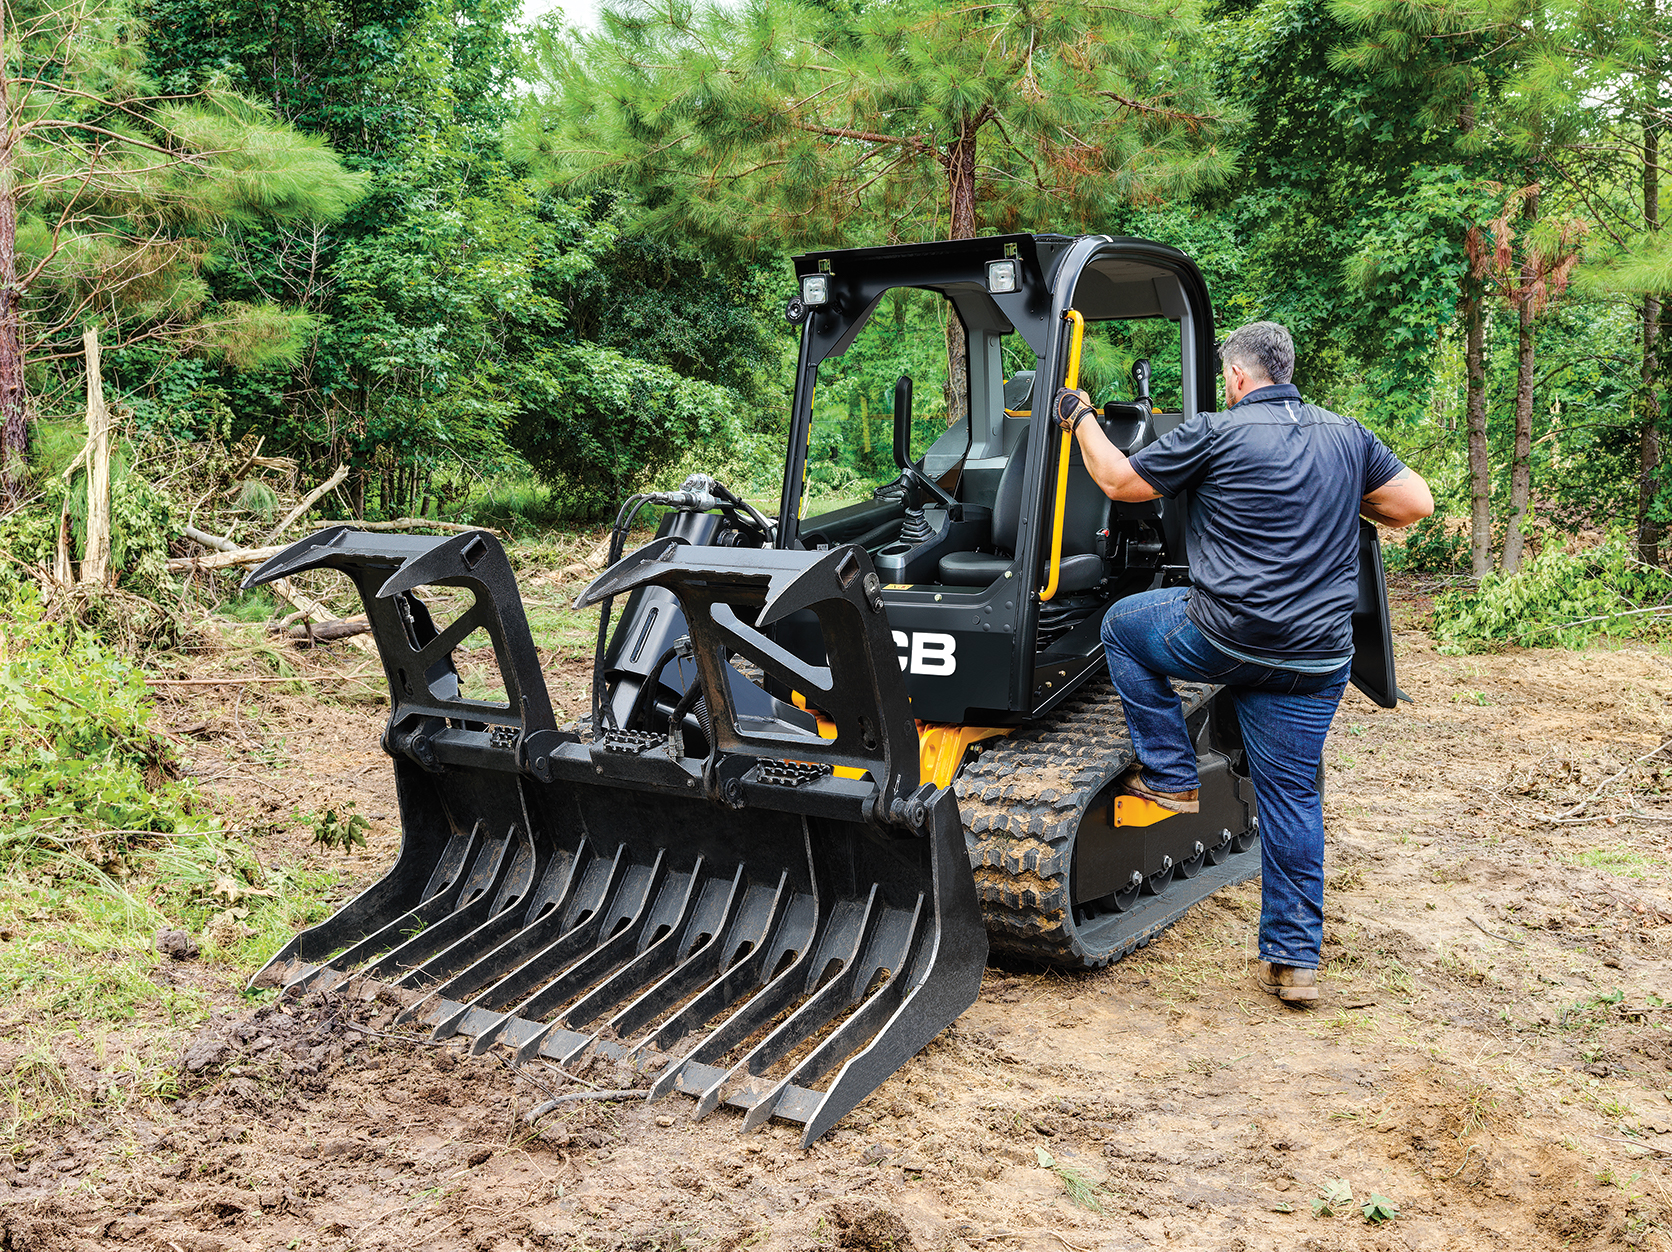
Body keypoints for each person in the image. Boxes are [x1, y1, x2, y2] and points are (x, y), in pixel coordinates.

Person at [1052, 321, 1432, 1005]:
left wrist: (1078, 416)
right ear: (1285, 371)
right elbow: (1413, 504)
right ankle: (1295, 963)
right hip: (1317, 657)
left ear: (1236, 378)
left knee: (1122, 626)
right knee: (1293, 800)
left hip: (1227, 639)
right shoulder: (1346, 435)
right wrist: (1345, 492)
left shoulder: (1216, 433)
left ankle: (1169, 775)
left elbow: (1116, 479)